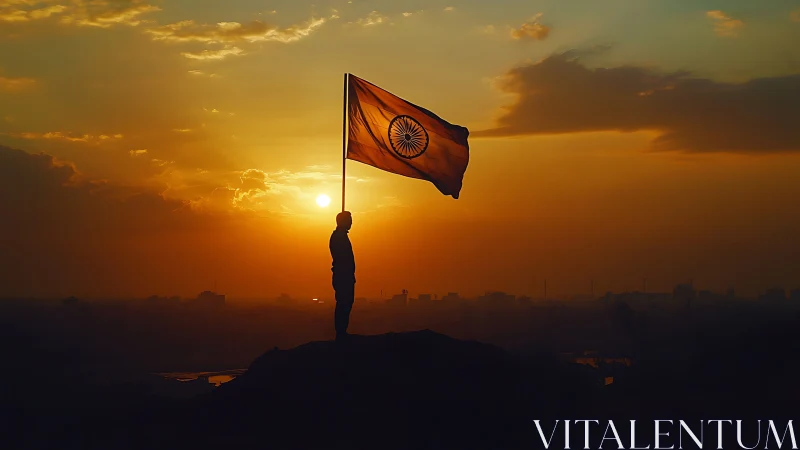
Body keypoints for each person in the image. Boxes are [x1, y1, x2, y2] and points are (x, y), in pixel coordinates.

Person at [330, 211, 355, 340]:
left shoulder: (341, 236)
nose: (351, 222)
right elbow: (342, 258)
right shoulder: (338, 237)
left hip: (345, 276)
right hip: (342, 276)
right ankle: (340, 332)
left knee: (346, 303)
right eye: (349, 220)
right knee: (343, 303)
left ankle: (342, 331)